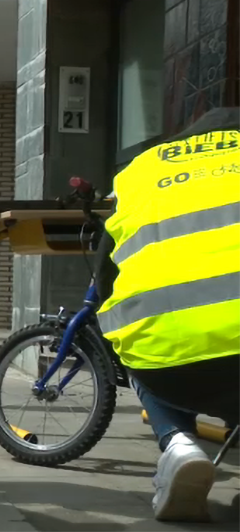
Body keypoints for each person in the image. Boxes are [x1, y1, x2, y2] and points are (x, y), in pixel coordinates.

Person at [95, 107, 240, 523]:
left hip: (169, 369)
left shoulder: (142, 170)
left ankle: (178, 444)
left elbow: (106, 271)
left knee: (140, 341)